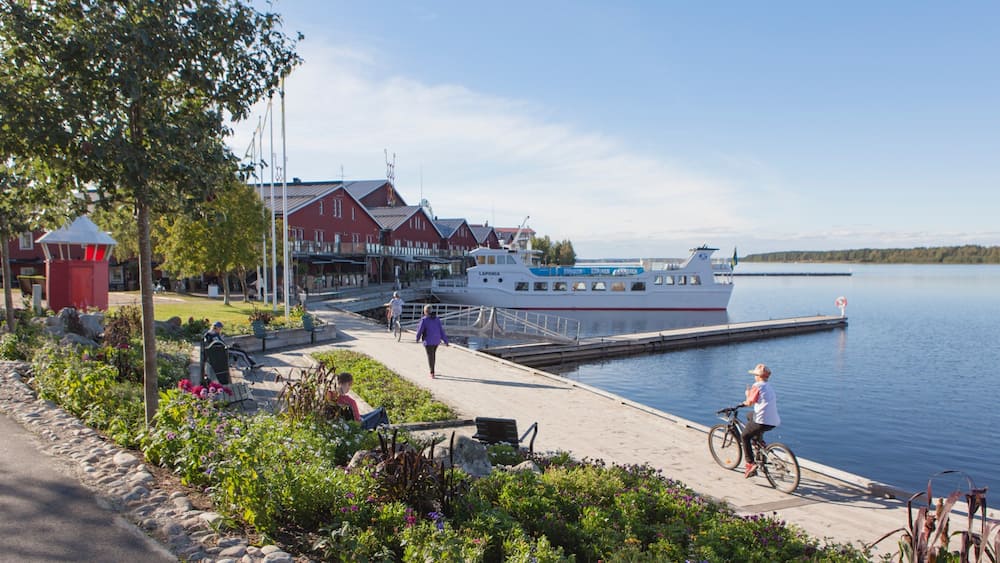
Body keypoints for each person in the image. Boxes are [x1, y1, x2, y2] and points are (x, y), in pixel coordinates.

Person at [741, 363, 781, 478]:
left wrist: (747, 395)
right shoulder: (769, 386)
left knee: (744, 436)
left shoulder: (757, 386)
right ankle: (759, 441)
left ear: (758, 376)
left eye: (755, 375)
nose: (754, 377)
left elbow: (749, 402)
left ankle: (750, 463)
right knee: (750, 415)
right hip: (774, 421)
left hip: (762, 421)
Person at [415, 304, 448, 378]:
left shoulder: (424, 320)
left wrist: (417, 338)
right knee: (433, 355)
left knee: (430, 356)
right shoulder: (437, 319)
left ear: (425, 312)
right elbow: (441, 330)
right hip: (436, 340)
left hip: (428, 340)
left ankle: (432, 372)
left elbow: (420, 330)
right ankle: (432, 370)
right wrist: (445, 341)